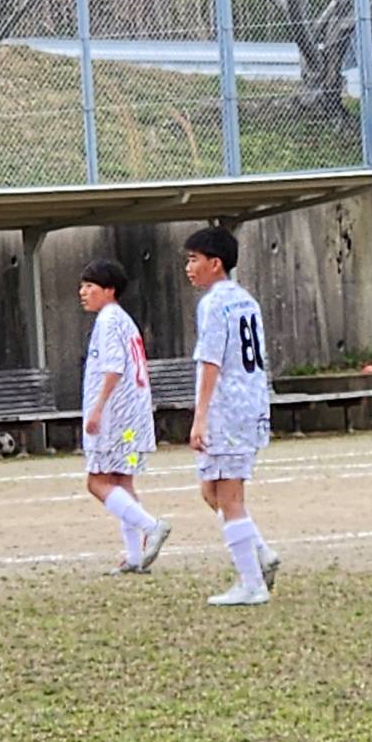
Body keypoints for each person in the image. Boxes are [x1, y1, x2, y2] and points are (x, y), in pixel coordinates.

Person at [184, 225, 281, 607]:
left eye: (194, 259)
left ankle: (252, 583)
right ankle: (261, 553)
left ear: (215, 263)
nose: (189, 268)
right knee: (212, 492)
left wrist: (200, 417)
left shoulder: (213, 304)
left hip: (228, 408)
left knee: (229, 496)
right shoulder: (246, 300)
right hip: (250, 403)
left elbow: (211, 361)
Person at [78, 258, 169, 575]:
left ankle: (152, 526)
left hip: (116, 417)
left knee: (97, 482)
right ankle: (134, 557)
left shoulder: (108, 320)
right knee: (121, 480)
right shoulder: (124, 320)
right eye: (82, 286)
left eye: (90, 286)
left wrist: (97, 408)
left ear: (110, 290)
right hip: (134, 416)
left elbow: (114, 368)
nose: (83, 292)